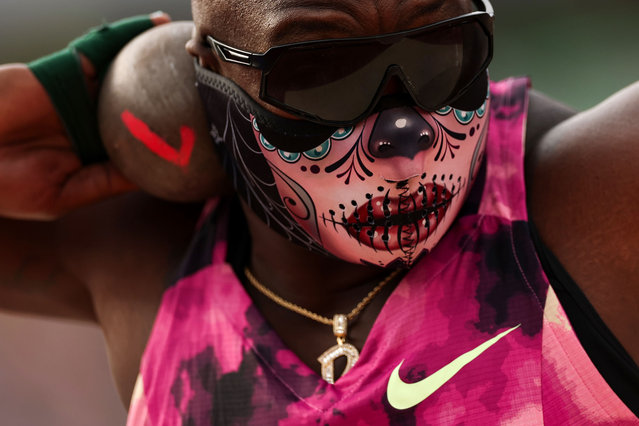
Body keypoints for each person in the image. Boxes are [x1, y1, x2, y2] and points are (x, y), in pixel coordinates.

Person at [1, 0, 638, 424]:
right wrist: (43, 96)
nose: (404, 132)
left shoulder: (601, 194)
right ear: (210, 72)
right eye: (324, 70)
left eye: (444, 48)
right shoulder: (141, 260)